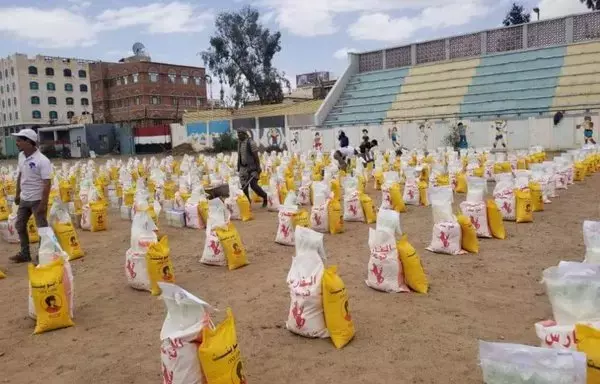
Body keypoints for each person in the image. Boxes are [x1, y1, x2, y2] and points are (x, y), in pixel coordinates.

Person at [10, 128, 51, 263]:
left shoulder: (42, 160)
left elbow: (47, 183)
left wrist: (43, 204)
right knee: (20, 225)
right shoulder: (21, 156)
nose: (17, 143)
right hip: (24, 198)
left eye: (19, 140)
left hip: (37, 200)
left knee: (42, 228)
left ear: (29, 142)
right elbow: (20, 175)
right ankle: (25, 253)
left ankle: (43, 254)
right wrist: (17, 194)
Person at [237, 129, 268, 207]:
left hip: (252, 168)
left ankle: (265, 197)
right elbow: (239, 155)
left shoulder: (251, 143)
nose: (238, 136)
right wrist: (238, 167)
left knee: (253, 185)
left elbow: (256, 157)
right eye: (238, 134)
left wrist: (258, 168)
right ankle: (247, 202)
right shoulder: (239, 143)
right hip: (243, 168)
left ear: (245, 134)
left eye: (240, 134)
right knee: (244, 186)